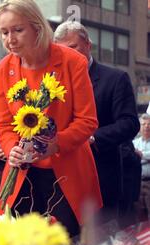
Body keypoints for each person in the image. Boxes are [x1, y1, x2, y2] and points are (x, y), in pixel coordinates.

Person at [0, 0, 102, 238]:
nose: (10, 39)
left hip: (66, 174)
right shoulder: (2, 70)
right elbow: (3, 125)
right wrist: (12, 149)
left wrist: (54, 145)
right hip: (22, 174)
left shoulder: (73, 61)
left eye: (17, 30)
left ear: (37, 28)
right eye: (4, 32)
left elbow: (87, 121)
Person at [54, 20, 140, 227]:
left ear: (88, 45)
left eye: (73, 48)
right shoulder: (52, 83)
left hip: (101, 179)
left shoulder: (115, 79)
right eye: (62, 50)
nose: (69, 54)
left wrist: (91, 138)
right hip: (60, 182)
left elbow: (129, 123)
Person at [133, 113, 150, 222]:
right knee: (139, 215)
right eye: (143, 124)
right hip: (138, 183)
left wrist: (141, 155)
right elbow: (132, 156)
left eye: (149, 124)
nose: (147, 126)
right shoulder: (134, 142)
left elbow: (137, 155)